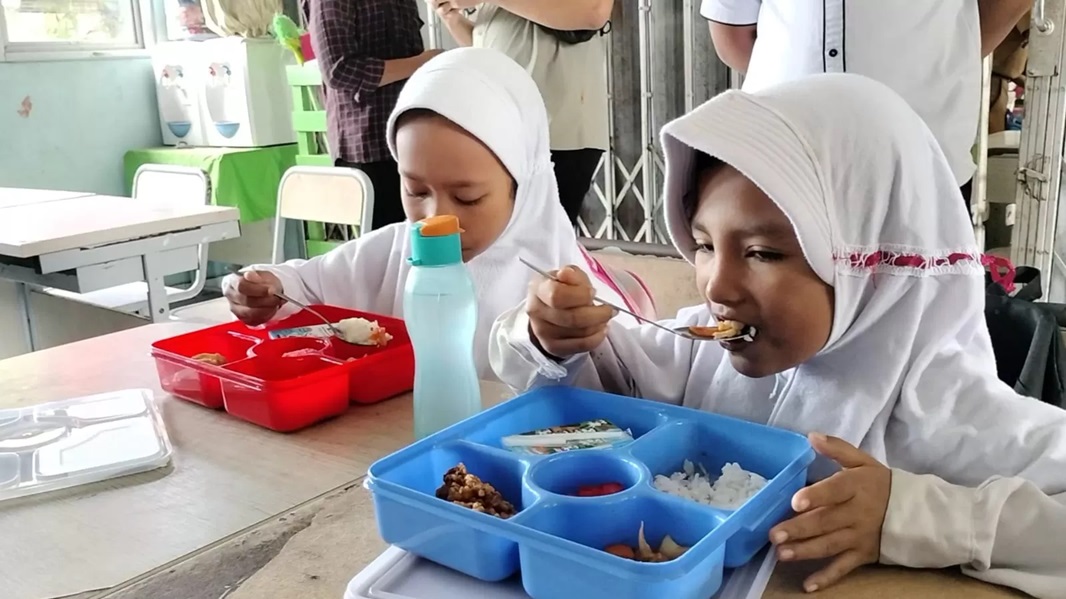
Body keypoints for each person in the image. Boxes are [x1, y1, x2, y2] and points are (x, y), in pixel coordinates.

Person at [489, 74, 1066, 597]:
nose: (717, 283)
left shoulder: (948, 407)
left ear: (872, 271)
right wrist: (553, 335)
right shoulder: (702, 350)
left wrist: (916, 514)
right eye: (705, 245)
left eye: (762, 252)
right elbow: (609, 381)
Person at [222, 47, 651, 380]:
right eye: (415, 190)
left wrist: (560, 341)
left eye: (467, 198)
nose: (435, 220)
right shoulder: (394, 250)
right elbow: (306, 286)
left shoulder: (561, 282)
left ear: (524, 186)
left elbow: (625, 384)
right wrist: (267, 289)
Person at [701, 0, 1032, 214]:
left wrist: (944, 58)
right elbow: (732, 34)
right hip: (783, 155)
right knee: (777, 309)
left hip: (920, 158)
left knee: (914, 309)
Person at [430, 0, 614, 225]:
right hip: (501, 129)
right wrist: (451, 15)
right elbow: (492, 48)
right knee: (501, 240)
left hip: (556, 128)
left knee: (543, 243)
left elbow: (594, 12)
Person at [303, 0, 441, 230]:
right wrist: (421, 63)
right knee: (384, 250)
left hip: (411, 133)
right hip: (367, 146)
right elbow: (339, 70)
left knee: (418, 241)